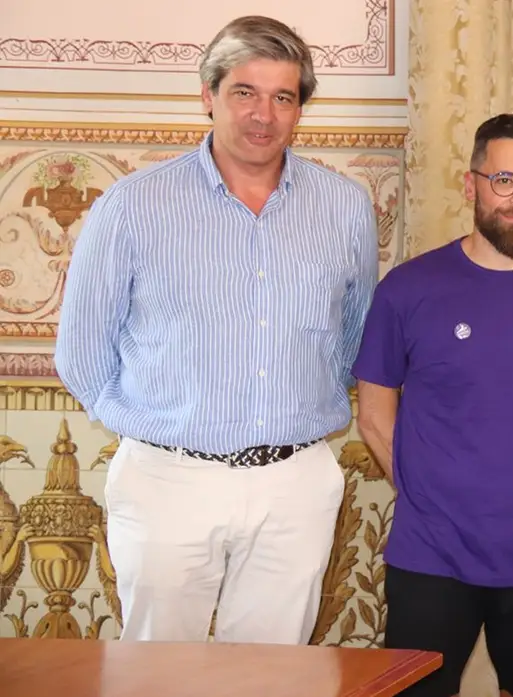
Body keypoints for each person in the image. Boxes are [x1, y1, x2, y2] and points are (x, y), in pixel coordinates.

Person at [52, 15, 379, 644]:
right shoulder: (134, 205)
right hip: (168, 480)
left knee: (271, 677)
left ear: (300, 107)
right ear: (208, 94)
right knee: (156, 674)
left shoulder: (344, 209)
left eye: (283, 96)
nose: (264, 114)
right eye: (245, 92)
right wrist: (158, 428)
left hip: (295, 481)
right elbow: (82, 352)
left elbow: (352, 336)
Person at [351, 113, 513, 697]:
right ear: (471, 184)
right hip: (431, 561)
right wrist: (429, 495)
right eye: (505, 180)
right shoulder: (407, 290)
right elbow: (372, 411)